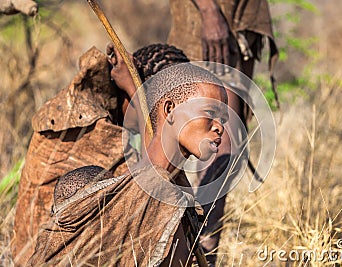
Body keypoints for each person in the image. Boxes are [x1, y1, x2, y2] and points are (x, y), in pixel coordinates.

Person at [27, 62, 229, 266]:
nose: (219, 127)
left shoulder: (172, 192)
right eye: (210, 113)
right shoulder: (157, 197)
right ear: (169, 110)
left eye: (223, 119)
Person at [11, 43, 190, 266]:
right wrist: (138, 96)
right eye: (159, 111)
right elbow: (149, 185)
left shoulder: (118, 122)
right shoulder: (84, 123)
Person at [168, 0, 279, 264]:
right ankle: (195, 248)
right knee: (221, 146)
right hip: (207, 31)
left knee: (225, 149)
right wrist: (208, 10)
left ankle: (199, 252)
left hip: (235, 34)